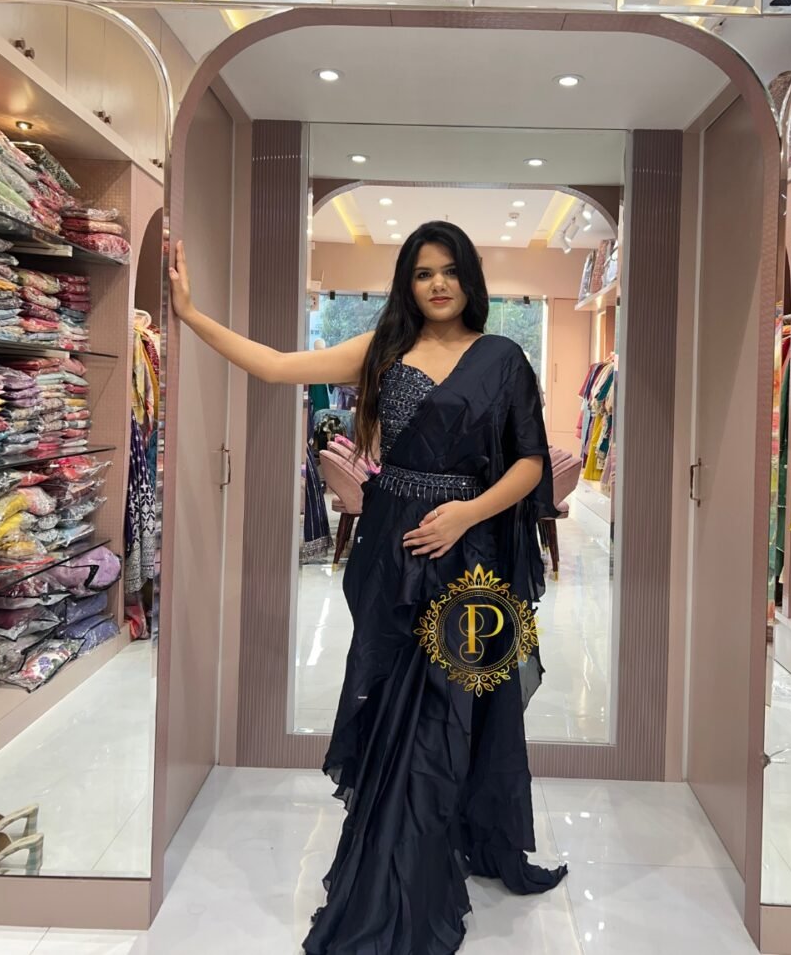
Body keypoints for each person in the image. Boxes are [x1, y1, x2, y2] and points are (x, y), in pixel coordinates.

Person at [170, 220, 566, 954]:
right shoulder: (384, 348)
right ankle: (399, 859)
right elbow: (277, 364)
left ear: (469, 277)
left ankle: (410, 874)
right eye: (422, 273)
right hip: (391, 551)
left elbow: (530, 464)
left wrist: (466, 514)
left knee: (446, 712)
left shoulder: (505, 358)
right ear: (407, 284)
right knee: (394, 705)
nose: (437, 283)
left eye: (449, 270)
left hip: (468, 551)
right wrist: (191, 315)